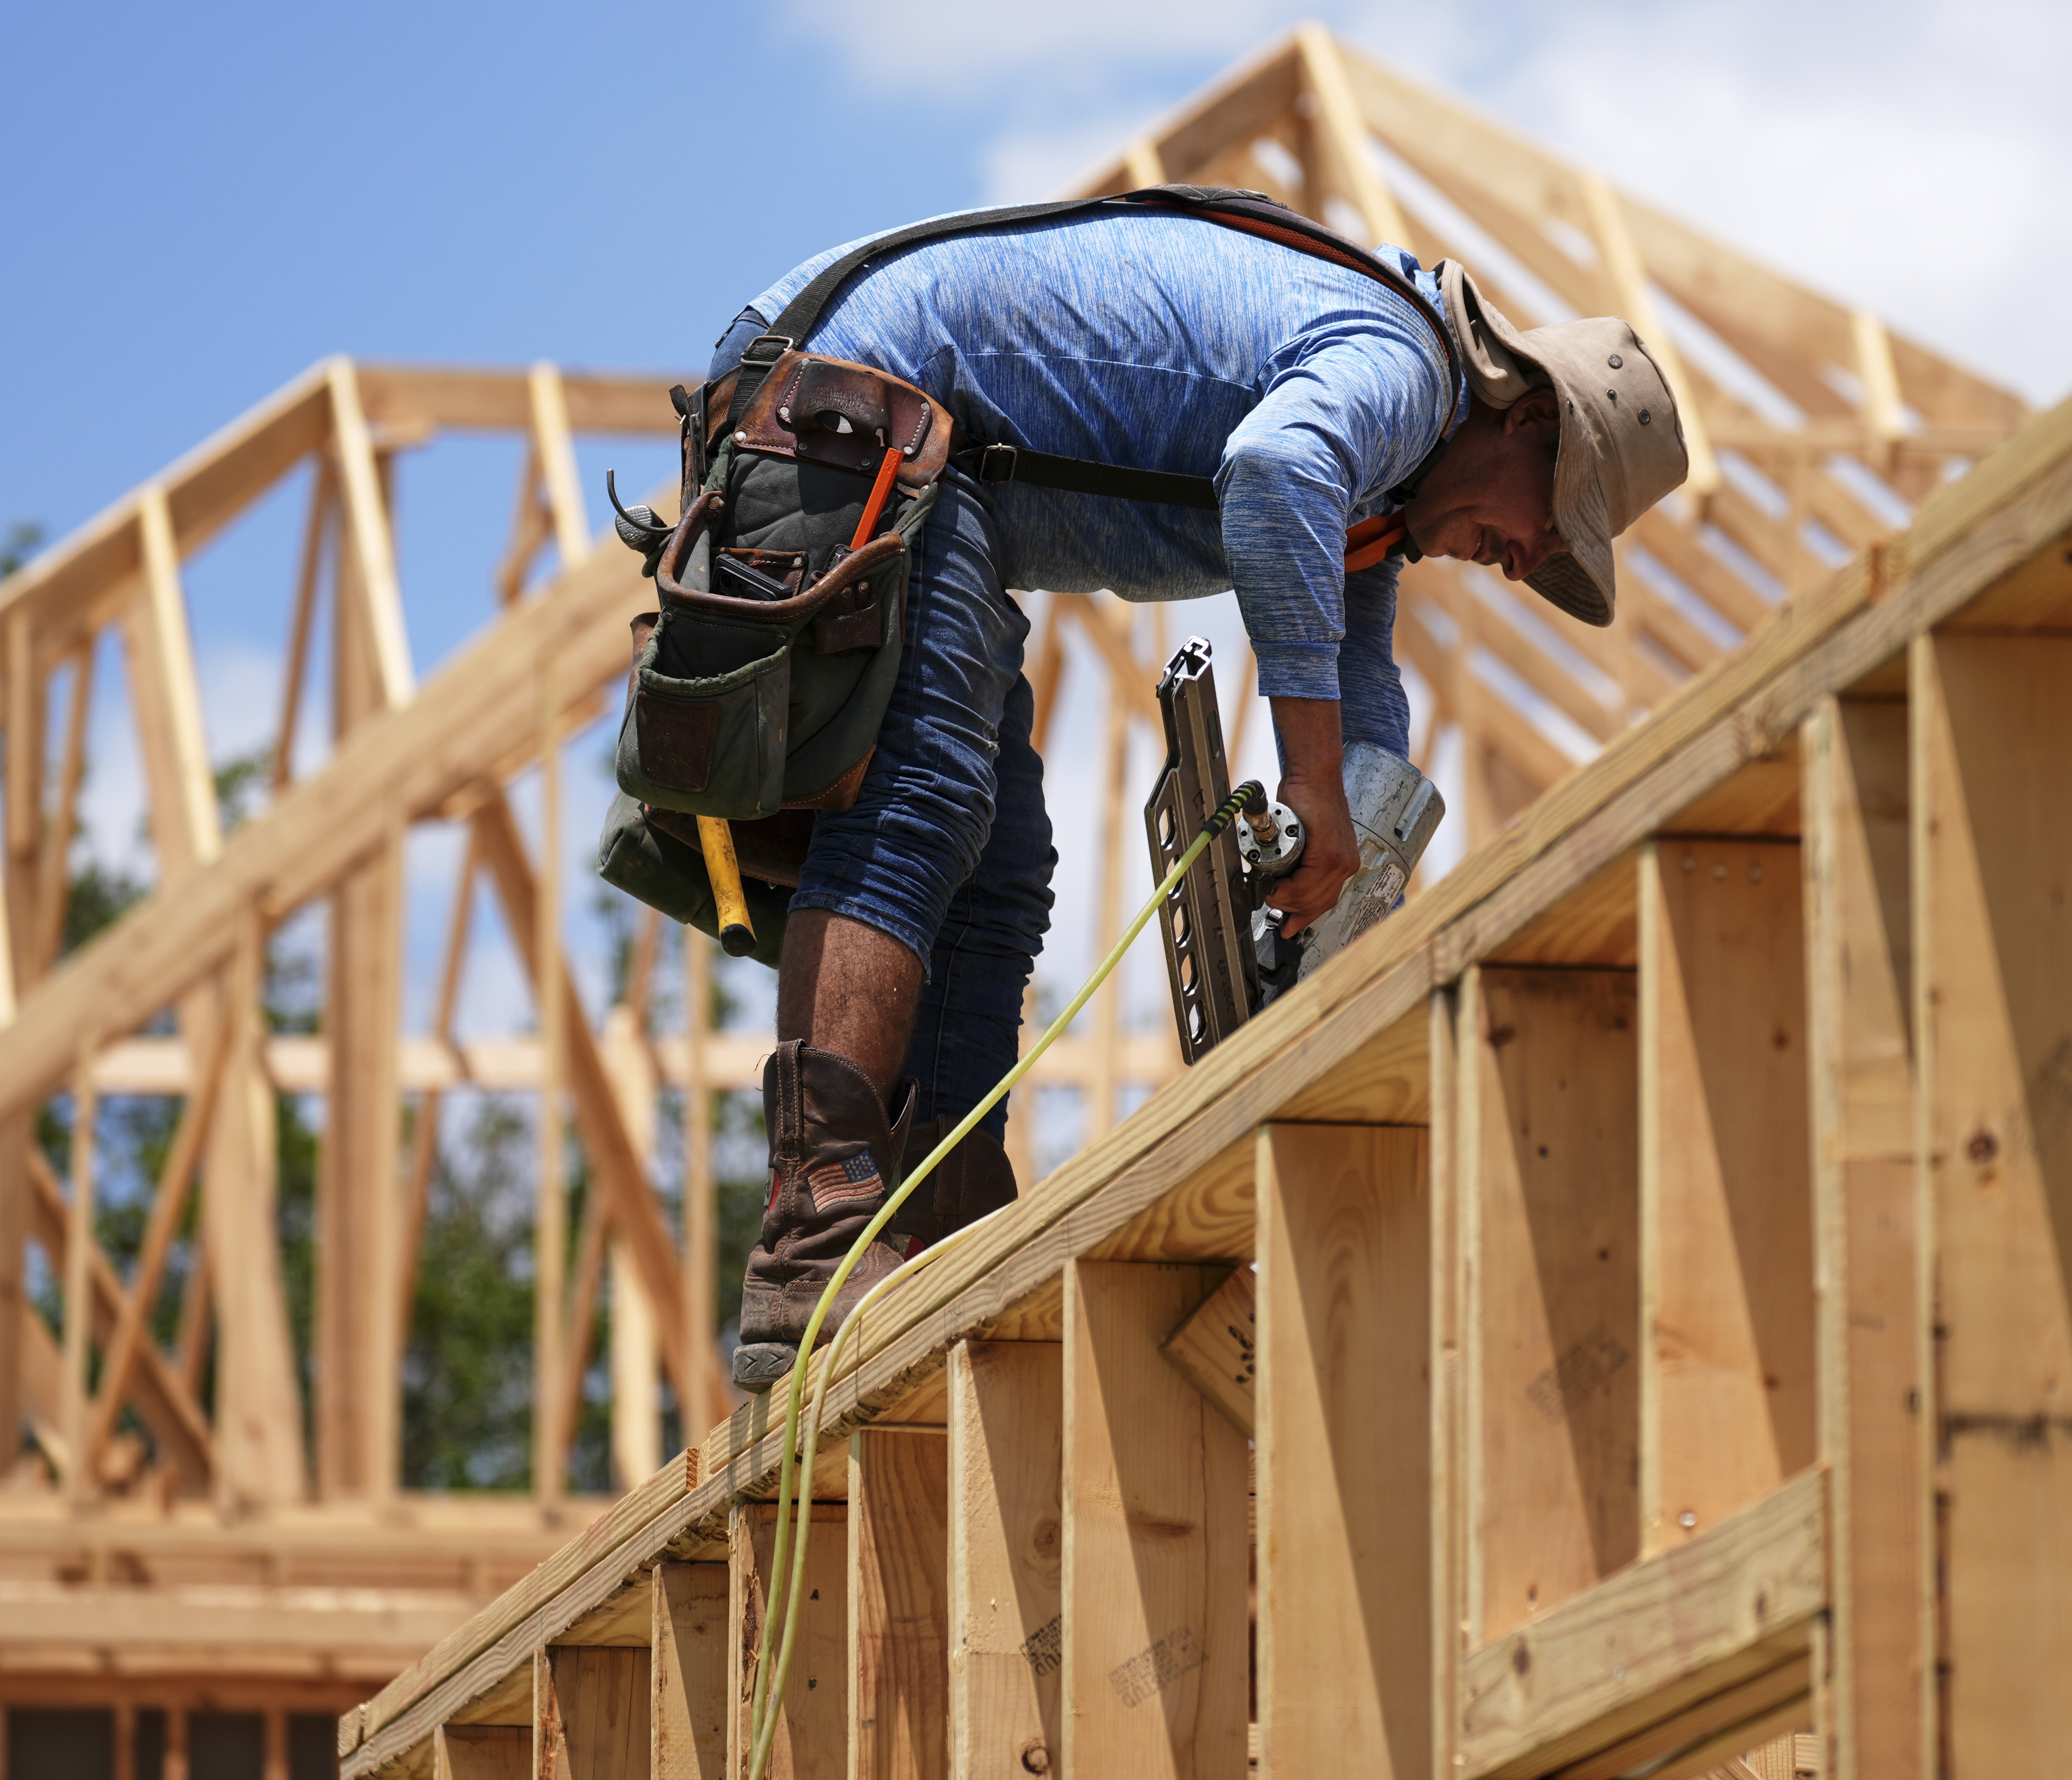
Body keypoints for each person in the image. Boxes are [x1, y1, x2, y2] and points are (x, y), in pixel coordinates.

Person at [717, 195, 1689, 1387]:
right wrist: (1313, 780)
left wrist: (1356, 882)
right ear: (1525, 414)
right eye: (1555, 523)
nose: (1528, 562)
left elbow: (1357, 673)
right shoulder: (1402, 372)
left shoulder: (1387, 499)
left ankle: (934, 1220)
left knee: (1002, 872)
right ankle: (815, 1231)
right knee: (918, 801)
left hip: (912, 442)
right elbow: (1275, 469)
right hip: (856, 402)